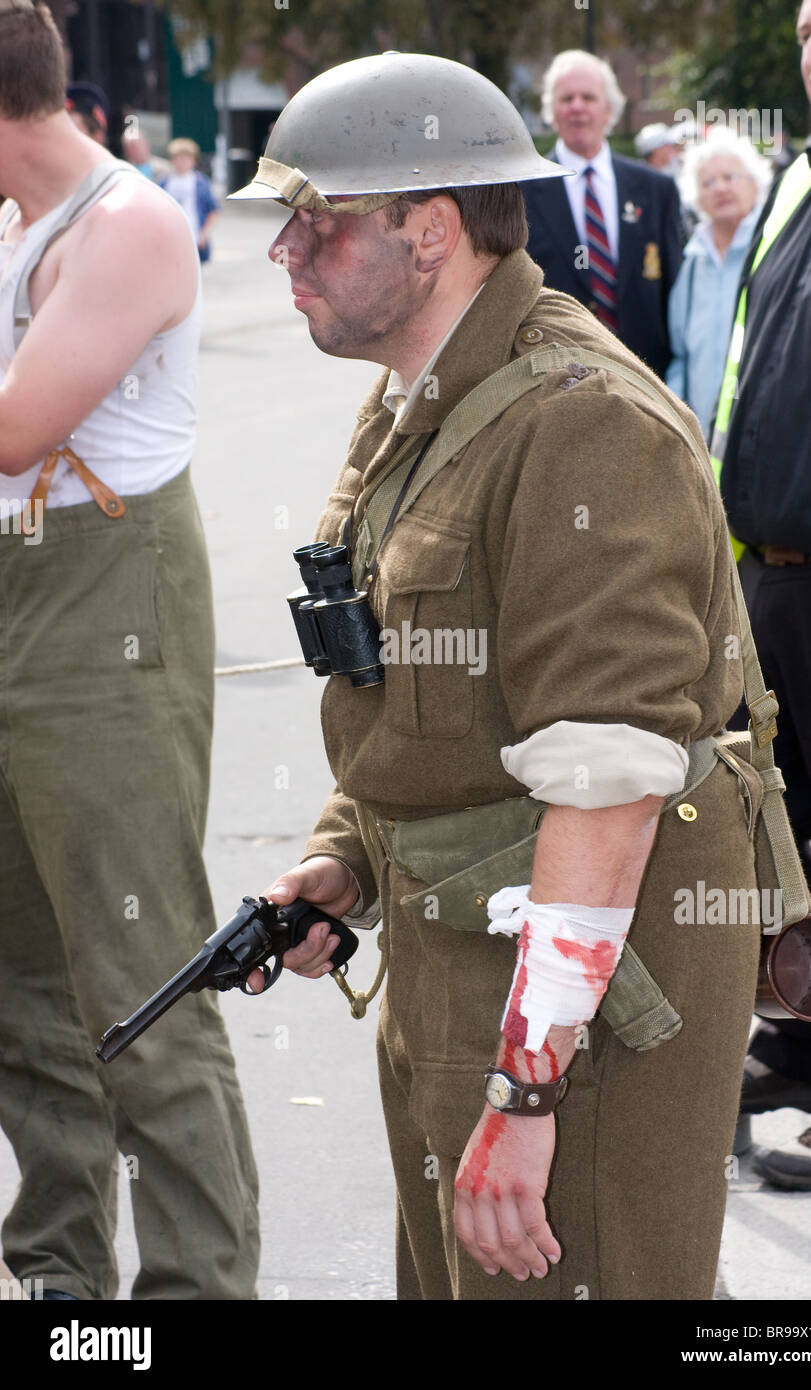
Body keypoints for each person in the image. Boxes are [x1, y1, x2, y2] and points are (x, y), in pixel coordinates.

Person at [232, 49, 766, 1300]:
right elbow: (409, 682)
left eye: (315, 222)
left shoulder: (578, 421)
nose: (283, 253)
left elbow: (610, 782)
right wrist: (341, 853)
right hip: (459, 947)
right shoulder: (419, 399)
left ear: (427, 232)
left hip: (582, 997)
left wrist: (528, 1087)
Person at [0, 0, 259, 1298]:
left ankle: (193, 1289)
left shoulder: (132, 223)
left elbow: (14, 427)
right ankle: (58, 1269)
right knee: (19, 977)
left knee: (138, 971)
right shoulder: (17, 226)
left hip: (108, 601)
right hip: (18, 593)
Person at [711, 0, 811, 1189]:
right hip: (767, 577)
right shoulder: (800, 179)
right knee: (752, 822)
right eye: (809, 28)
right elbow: (744, 369)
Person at [521, 49, 683, 377]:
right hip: (555, 378)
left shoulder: (656, 190)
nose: (577, 106)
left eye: (588, 97)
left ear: (609, 108)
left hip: (646, 376)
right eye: (567, 98)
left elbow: (674, 288)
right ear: (551, 110)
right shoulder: (521, 194)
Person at [667, 129, 771, 438]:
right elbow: (681, 354)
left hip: (762, 428)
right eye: (708, 182)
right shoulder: (693, 261)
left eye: (730, 177)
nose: (720, 188)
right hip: (701, 432)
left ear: (756, 184)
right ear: (696, 198)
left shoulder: (771, 249)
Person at [159, 138, 220, 264]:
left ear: (193, 161)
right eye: (177, 158)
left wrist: (204, 233)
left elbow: (213, 210)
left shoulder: (200, 182)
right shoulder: (165, 182)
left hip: (193, 234)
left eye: (185, 158)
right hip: (170, 235)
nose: (181, 162)